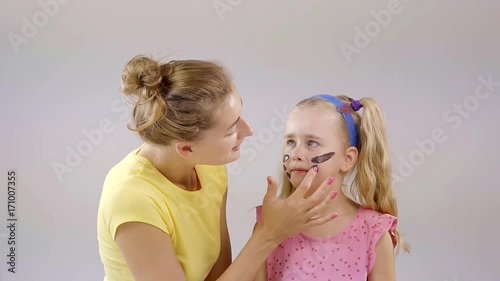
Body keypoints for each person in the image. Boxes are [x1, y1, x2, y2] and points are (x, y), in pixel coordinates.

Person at [96, 55, 340, 281]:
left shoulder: (209, 168)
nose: (249, 130)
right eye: (231, 130)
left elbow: (220, 273)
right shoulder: (133, 200)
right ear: (186, 149)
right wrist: (269, 234)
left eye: (240, 114)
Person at [253, 94, 411, 281]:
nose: (295, 154)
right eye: (290, 142)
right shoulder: (270, 224)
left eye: (311, 143)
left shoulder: (373, 233)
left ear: (347, 158)